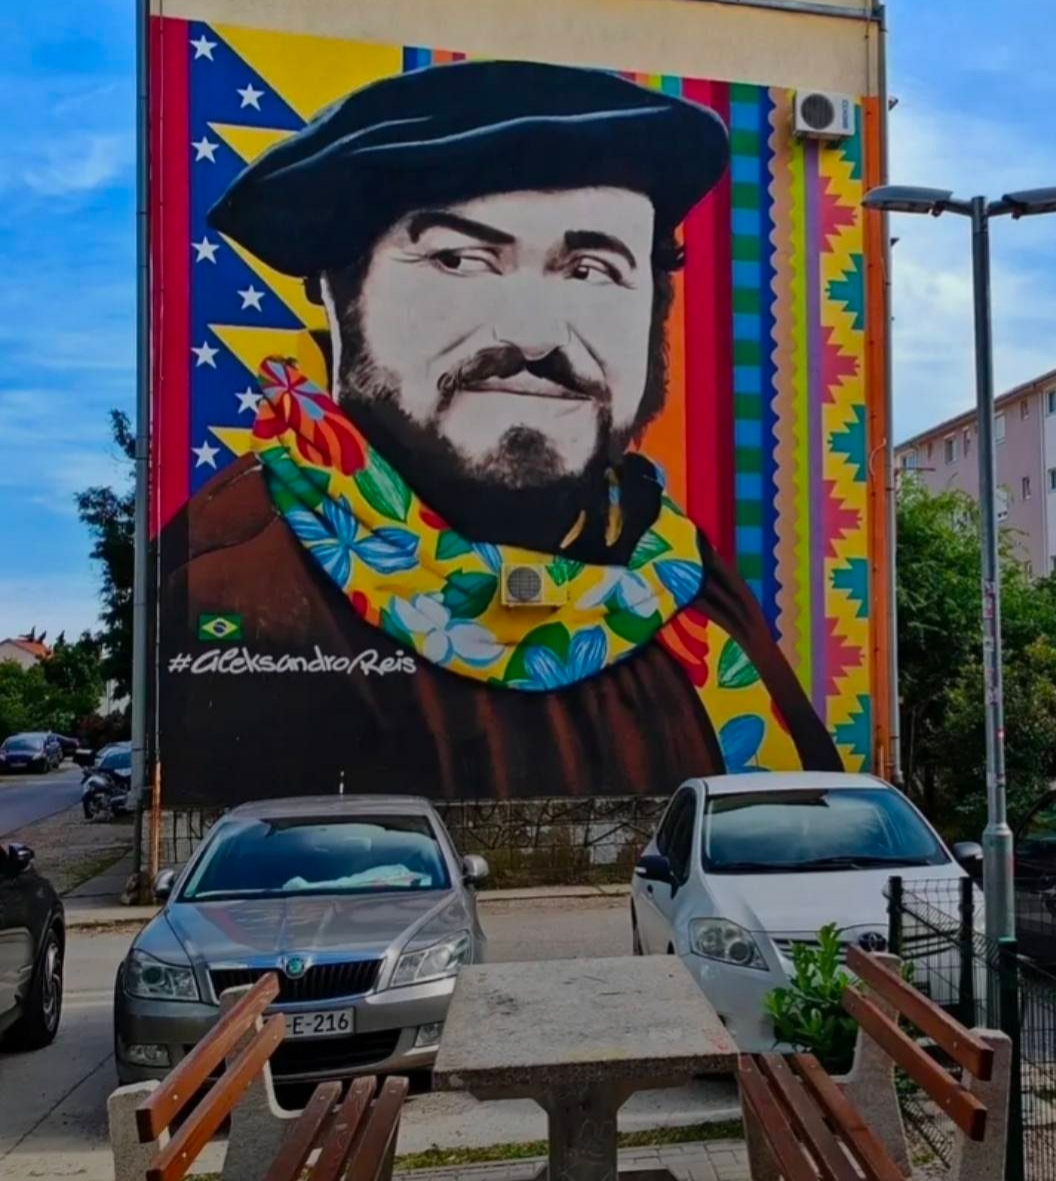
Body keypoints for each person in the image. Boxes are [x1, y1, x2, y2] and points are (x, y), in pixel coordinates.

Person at [158, 61, 841, 799]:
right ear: (335, 294)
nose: (536, 334)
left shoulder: (684, 580)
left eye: (591, 270)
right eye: (460, 259)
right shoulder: (236, 587)